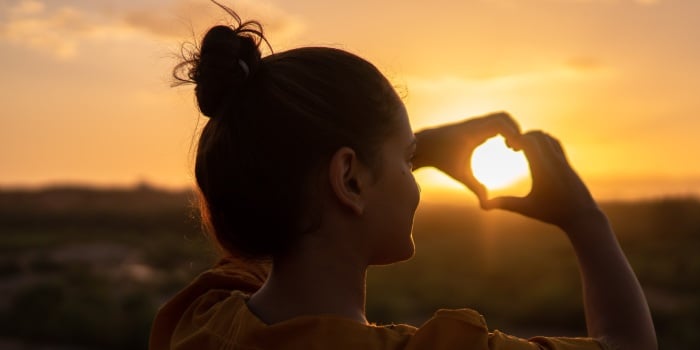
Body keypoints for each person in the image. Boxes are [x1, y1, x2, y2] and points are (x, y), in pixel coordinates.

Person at [149, 4, 657, 350]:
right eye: (406, 159)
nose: (414, 178)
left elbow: (270, 195)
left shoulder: (203, 320)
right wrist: (584, 219)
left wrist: (410, 149)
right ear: (348, 179)